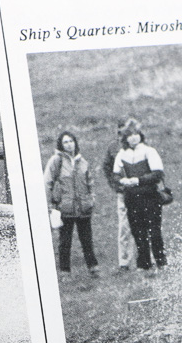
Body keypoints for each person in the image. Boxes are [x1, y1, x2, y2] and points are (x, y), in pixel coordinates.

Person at [111, 126, 167, 272]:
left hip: (150, 196)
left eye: (136, 134)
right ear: (125, 138)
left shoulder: (149, 151)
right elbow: (115, 175)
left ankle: (161, 262)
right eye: (130, 135)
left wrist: (138, 180)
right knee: (138, 232)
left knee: (154, 231)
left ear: (140, 136)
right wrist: (123, 181)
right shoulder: (122, 154)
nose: (133, 137)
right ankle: (144, 264)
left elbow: (157, 173)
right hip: (132, 198)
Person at [44, 131, 99, 277]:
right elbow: (47, 182)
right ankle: (65, 271)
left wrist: (92, 198)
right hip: (65, 207)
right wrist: (49, 203)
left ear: (75, 142)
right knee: (65, 241)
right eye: (66, 142)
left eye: (71, 141)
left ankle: (93, 268)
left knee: (87, 239)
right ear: (61, 145)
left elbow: (90, 182)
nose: (69, 144)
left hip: (83, 207)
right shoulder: (57, 161)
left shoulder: (83, 162)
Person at [103, 118, 139, 272]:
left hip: (138, 192)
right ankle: (124, 262)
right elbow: (107, 167)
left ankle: (144, 260)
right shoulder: (113, 147)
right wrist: (116, 185)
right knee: (124, 228)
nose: (123, 134)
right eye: (121, 131)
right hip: (123, 193)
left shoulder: (138, 146)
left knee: (141, 225)